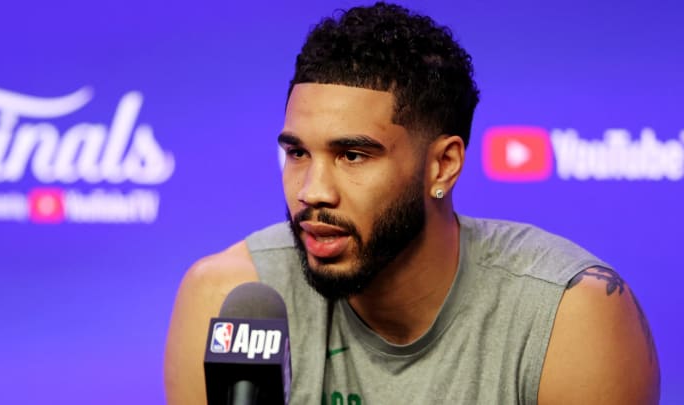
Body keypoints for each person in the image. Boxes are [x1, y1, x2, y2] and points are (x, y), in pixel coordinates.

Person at [164, 2, 660, 403]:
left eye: (353, 155)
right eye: (297, 152)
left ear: (442, 165)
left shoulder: (566, 316)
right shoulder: (229, 299)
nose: (311, 191)